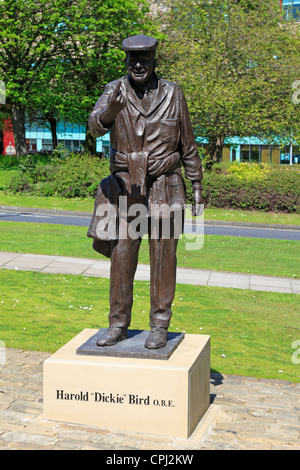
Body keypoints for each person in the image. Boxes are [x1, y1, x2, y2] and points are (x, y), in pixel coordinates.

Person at [88, 35, 203, 349]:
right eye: (132, 61)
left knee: (164, 257)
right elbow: (94, 126)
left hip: (166, 186)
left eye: (144, 60)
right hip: (127, 187)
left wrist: (196, 186)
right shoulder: (115, 90)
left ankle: (160, 325)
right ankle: (117, 324)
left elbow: (188, 144)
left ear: (154, 61)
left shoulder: (173, 93)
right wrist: (110, 111)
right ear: (126, 62)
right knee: (122, 255)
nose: (138, 66)